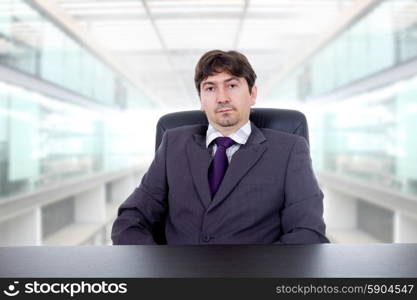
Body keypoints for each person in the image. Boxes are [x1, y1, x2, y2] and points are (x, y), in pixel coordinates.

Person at [111, 50, 329, 245]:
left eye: (232, 85)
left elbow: (307, 233)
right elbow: (130, 220)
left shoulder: (289, 150)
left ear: (252, 94)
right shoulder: (173, 143)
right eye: (210, 88)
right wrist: (157, 269)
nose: (222, 97)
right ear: (201, 99)